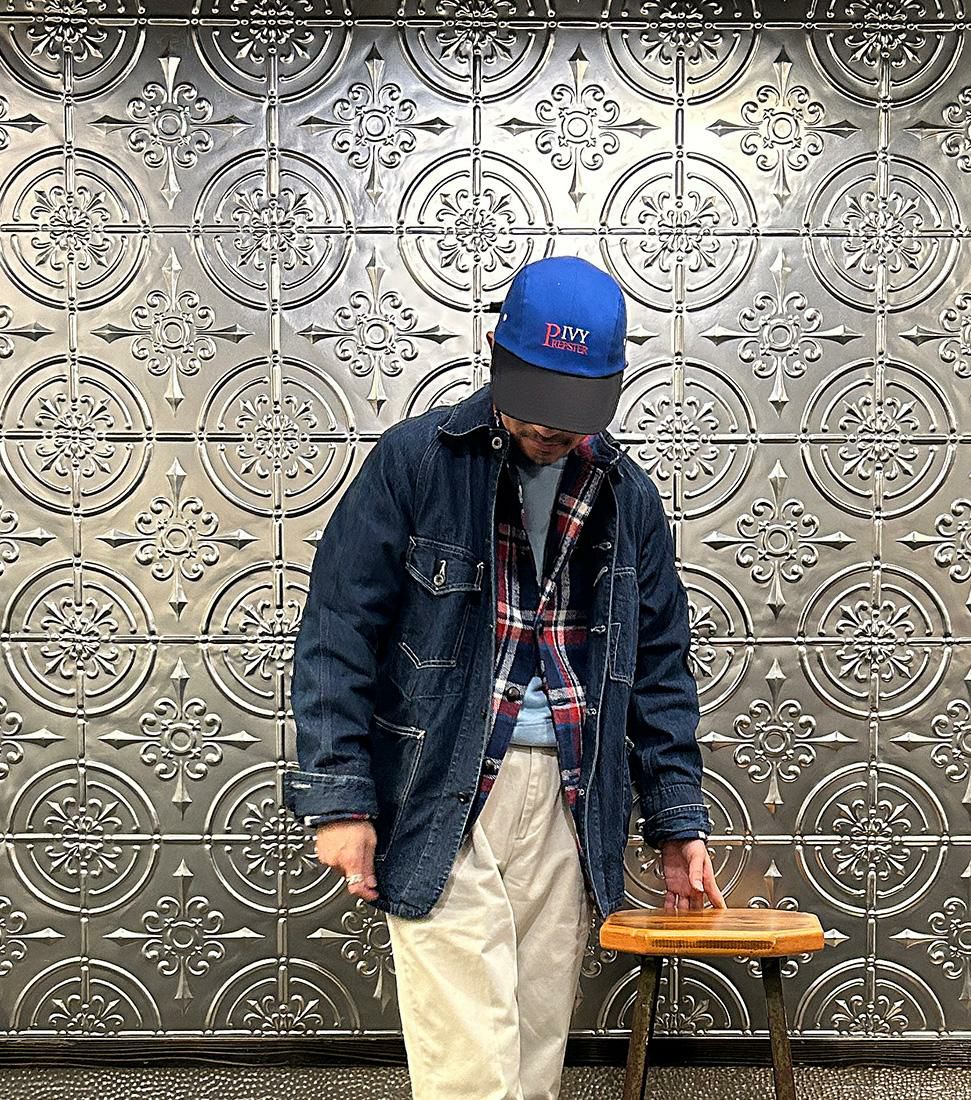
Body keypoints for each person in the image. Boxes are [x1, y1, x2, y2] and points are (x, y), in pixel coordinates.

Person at [284, 254, 725, 1100]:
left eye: (573, 405)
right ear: (497, 354)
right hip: (440, 785)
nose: (551, 426)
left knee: (532, 1057)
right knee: (471, 1071)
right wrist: (339, 801)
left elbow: (661, 670)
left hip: (572, 794)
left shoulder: (627, 497)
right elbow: (337, 633)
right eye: (537, 397)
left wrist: (677, 821)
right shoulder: (416, 463)